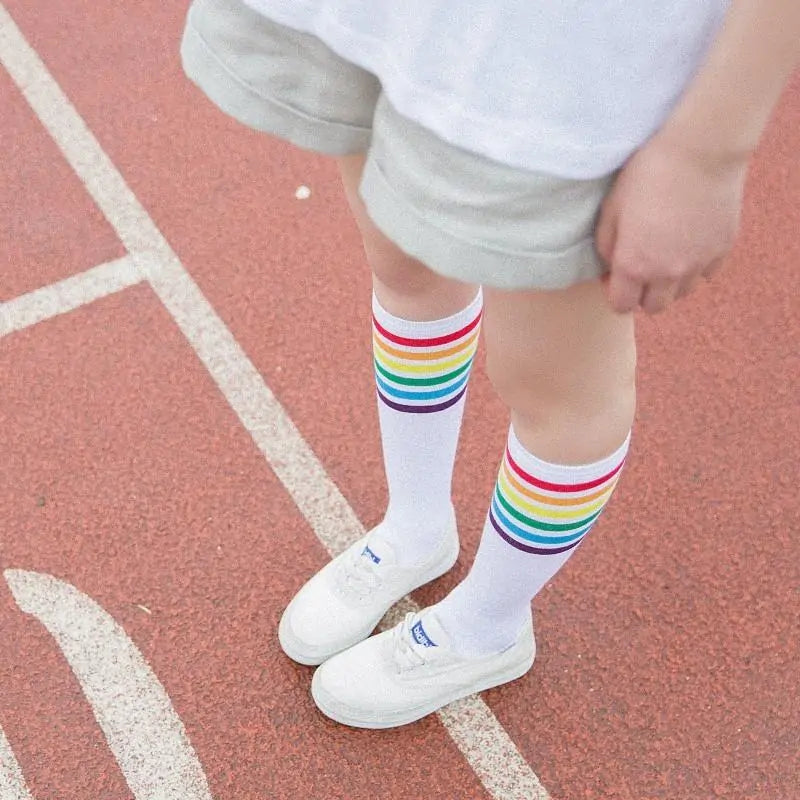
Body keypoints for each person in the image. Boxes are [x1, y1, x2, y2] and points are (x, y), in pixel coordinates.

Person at [180, 0, 800, 728]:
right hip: (390, 21)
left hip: (565, 66)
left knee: (557, 381)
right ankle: (415, 527)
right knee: (404, 263)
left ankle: (489, 628)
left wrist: (708, 151)